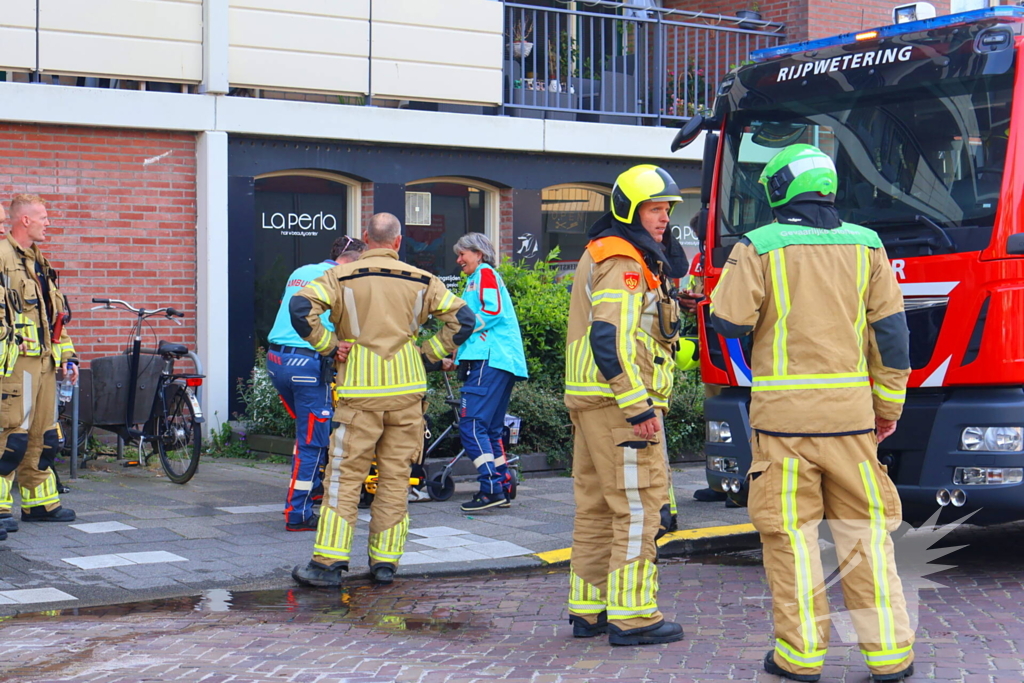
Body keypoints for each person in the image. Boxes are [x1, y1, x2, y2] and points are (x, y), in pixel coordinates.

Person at [710, 144, 914, 683]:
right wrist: (888, 405)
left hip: (783, 428)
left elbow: (727, 322)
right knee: (864, 535)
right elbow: (892, 338)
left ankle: (799, 658)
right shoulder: (868, 246)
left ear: (778, 190)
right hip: (852, 422)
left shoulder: (758, 246)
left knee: (791, 538)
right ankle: (890, 655)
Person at [289, 212, 476, 587]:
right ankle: (386, 563)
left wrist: (328, 344)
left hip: (359, 395)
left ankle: (328, 565)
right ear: (398, 241)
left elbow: (299, 309)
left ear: (365, 238)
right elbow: (465, 319)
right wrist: (428, 351)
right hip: (407, 394)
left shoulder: (340, 276)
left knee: (344, 478)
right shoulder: (423, 279)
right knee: (395, 479)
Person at [563, 165, 689, 646]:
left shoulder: (606, 253)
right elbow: (609, 336)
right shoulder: (624, 262)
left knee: (595, 508)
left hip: (593, 401)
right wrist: (638, 408)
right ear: (630, 210)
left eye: (666, 210)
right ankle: (634, 616)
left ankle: (589, 609)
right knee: (639, 509)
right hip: (621, 408)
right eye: (655, 209)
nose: (663, 219)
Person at [266, 235, 367, 532]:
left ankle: (316, 490)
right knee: (312, 441)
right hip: (307, 366)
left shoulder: (300, 271)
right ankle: (298, 514)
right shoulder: (340, 279)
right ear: (354, 259)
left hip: (277, 362)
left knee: (313, 430)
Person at [0, 194, 77, 526]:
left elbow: (53, 318)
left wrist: (68, 359)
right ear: (25, 221)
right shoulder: (2, 257)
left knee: (45, 437)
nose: (49, 222)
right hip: (16, 366)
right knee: (12, 438)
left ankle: (40, 504)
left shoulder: (38, 262)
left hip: (44, 365)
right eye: (43, 217)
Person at [450, 233, 528, 512]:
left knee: (472, 425)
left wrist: (458, 337)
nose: (459, 259)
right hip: (498, 360)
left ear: (479, 254)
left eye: (463, 254)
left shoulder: (484, 274)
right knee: (491, 430)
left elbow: (491, 311)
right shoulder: (479, 277)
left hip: (489, 359)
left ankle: (491, 487)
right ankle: (501, 485)